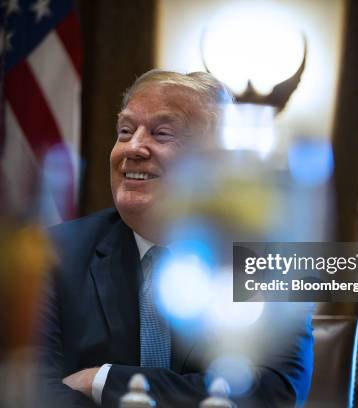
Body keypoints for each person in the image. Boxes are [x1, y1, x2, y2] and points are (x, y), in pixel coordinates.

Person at [38, 70, 313, 407]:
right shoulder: (53, 253)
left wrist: (104, 381)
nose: (134, 147)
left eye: (162, 133)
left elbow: (274, 391)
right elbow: (35, 393)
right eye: (125, 131)